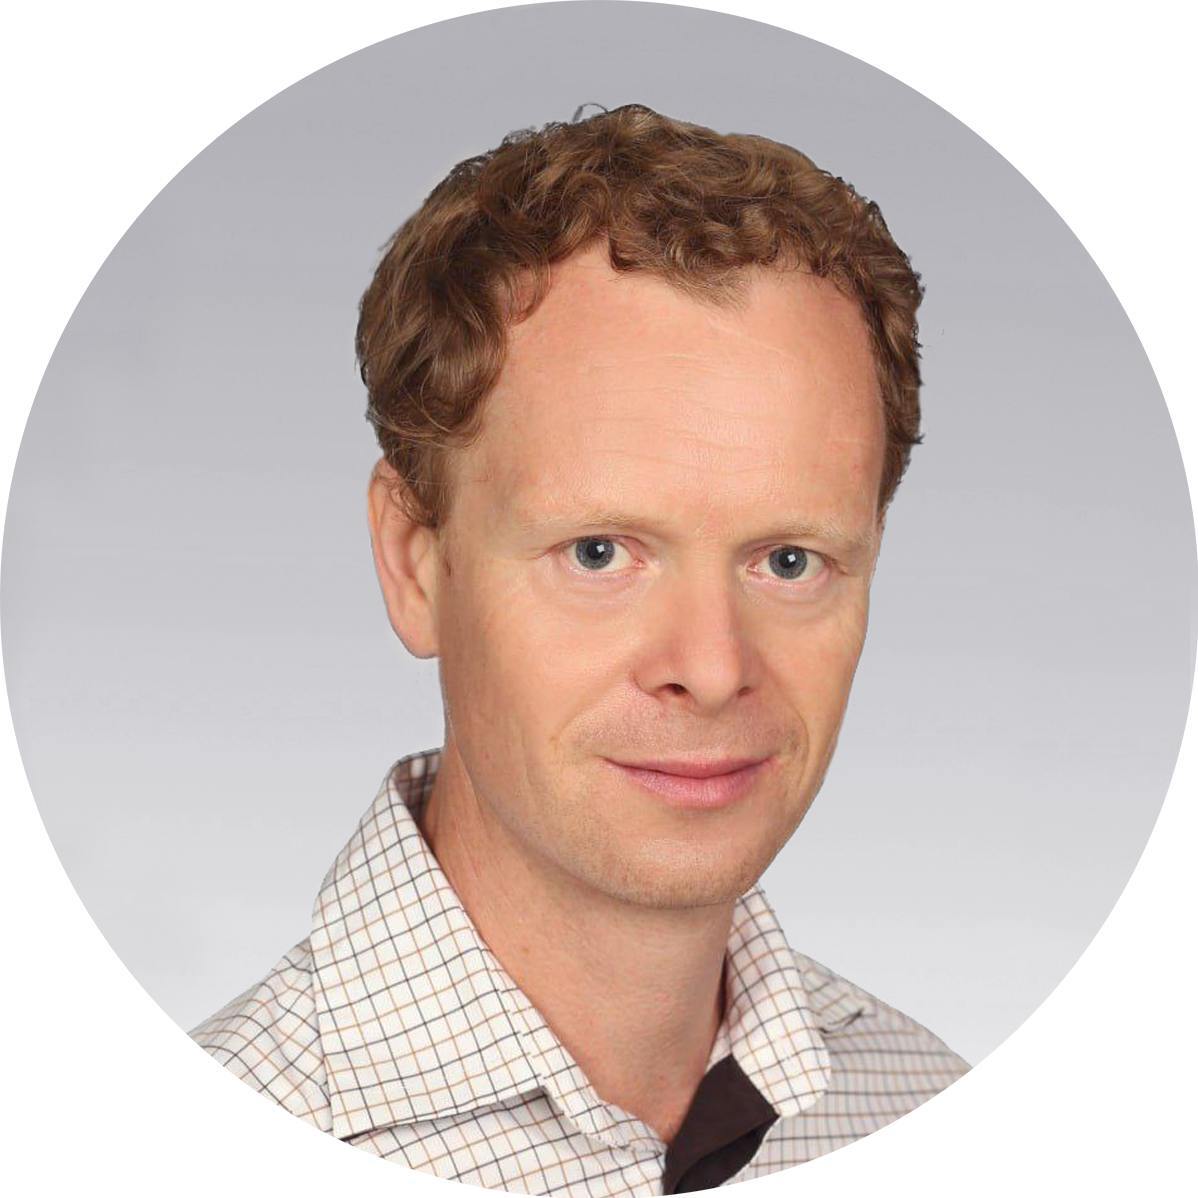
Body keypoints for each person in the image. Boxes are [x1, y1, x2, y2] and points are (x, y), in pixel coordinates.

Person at [191, 103, 969, 1194]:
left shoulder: (927, 1107)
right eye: (600, 553)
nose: (712, 667)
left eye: (789, 560)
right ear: (416, 563)